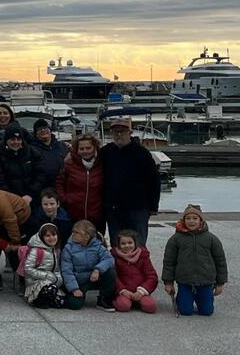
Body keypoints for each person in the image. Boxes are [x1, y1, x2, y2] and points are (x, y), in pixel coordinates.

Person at [101, 117, 161, 245]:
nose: (119, 134)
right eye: (116, 132)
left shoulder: (142, 153)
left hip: (138, 208)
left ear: (130, 132)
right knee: (117, 244)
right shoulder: (105, 152)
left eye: (122, 131)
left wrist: (153, 206)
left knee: (138, 244)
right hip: (113, 208)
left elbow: (154, 180)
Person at [162, 205, 227, 317]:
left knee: (207, 312)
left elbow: (220, 261)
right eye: (188, 218)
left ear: (201, 220)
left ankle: (201, 299)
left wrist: (220, 283)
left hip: (206, 282)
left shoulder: (211, 239)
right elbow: (169, 262)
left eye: (195, 218)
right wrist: (168, 282)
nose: (191, 221)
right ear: (183, 220)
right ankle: (182, 299)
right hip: (185, 281)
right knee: (185, 311)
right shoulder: (176, 239)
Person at [60, 220, 116, 311]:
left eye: (76, 232)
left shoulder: (98, 246)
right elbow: (66, 270)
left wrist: (98, 269)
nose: (73, 234)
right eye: (73, 231)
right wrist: (74, 289)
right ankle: (67, 294)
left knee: (110, 272)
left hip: (94, 277)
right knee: (74, 304)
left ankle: (104, 299)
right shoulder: (68, 248)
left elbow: (109, 259)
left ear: (86, 236)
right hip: (79, 280)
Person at [54, 133, 105, 232]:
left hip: (97, 215)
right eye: (81, 149)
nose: (85, 151)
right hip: (74, 215)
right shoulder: (69, 164)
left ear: (95, 148)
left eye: (88, 148)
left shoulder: (102, 164)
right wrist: (65, 199)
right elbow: (59, 183)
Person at [111, 229, 158, 314]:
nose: (127, 246)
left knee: (151, 307)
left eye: (130, 243)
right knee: (124, 306)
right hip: (124, 291)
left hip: (140, 290)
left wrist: (141, 291)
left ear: (135, 243)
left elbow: (151, 276)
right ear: (118, 245)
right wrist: (122, 290)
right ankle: (118, 301)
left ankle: (137, 301)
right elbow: (113, 276)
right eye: (123, 243)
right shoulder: (114, 256)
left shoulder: (143, 255)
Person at [22, 222, 64, 308]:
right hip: (36, 282)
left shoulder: (55, 250)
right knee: (50, 290)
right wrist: (46, 275)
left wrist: (58, 279)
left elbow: (56, 269)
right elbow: (28, 268)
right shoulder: (36, 250)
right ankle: (37, 299)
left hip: (51, 281)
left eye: (54, 235)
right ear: (42, 237)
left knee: (61, 302)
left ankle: (48, 299)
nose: (51, 238)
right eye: (47, 236)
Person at [0, 123, 35, 197]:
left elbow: (39, 174)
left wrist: (30, 194)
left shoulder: (31, 153)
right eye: (12, 139)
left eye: (18, 139)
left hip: (31, 197)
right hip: (9, 198)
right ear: (6, 141)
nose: (16, 142)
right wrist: (14, 199)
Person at [29, 119, 67, 200]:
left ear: (50, 130)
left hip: (61, 189)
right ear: (35, 134)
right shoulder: (31, 149)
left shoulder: (61, 146)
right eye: (39, 129)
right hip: (41, 192)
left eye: (45, 127)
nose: (43, 130)